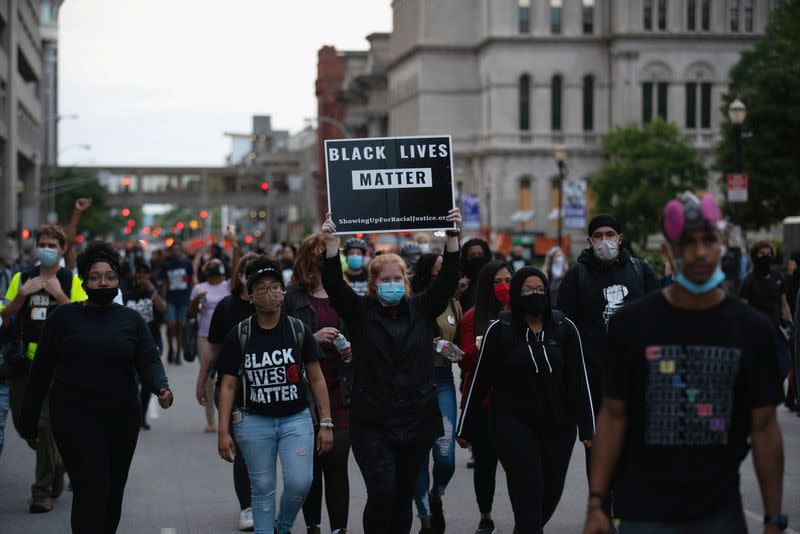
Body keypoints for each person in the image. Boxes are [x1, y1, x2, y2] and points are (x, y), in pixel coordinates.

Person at [583, 193, 786, 534]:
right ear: (669, 250)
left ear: (721, 243)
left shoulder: (751, 330)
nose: (701, 252)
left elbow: (765, 427)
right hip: (644, 513)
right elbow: (613, 415)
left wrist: (774, 518)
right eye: (688, 242)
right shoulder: (632, 325)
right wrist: (596, 503)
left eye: (708, 240)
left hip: (719, 513)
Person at [320, 208, 462, 534]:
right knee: (381, 490)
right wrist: (331, 245)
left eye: (398, 279)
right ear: (373, 284)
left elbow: (449, 279)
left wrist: (452, 238)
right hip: (373, 421)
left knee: (401, 496)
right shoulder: (359, 312)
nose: (392, 284)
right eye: (385, 280)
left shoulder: (423, 309)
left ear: (406, 282)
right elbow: (333, 284)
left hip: (416, 418)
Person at [20, 240, 173, 533]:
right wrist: (28, 421)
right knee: (92, 488)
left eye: (110, 276)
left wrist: (162, 388)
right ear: (83, 280)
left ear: (118, 280)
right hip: (74, 417)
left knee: (113, 490)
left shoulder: (130, 319)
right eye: (95, 276)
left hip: (121, 418)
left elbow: (148, 360)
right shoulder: (63, 319)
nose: (103, 282)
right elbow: (40, 372)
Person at [458, 265, 594, 533]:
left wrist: (587, 426)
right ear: (516, 294)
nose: (535, 295)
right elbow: (480, 381)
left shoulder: (564, 328)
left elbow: (580, 381)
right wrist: (466, 426)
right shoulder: (500, 330)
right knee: (528, 486)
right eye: (528, 290)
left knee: (550, 490)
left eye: (540, 289)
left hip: (558, 424)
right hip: (512, 422)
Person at [216, 257, 333, 534]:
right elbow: (228, 386)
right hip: (254, 422)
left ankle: (284, 525)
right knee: (263, 489)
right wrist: (223, 431)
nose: (269, 294)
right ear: (251, 296)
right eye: (261, 288)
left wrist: (326, 422)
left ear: (283, 293)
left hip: (296, 420)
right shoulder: (240, 334)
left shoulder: (298, 330)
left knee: (300, 482)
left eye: (275, 287)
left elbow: (316, 378)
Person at [556, 214, 659, 514]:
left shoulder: (641, 271)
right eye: (598, 235)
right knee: (597, 447)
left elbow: (658, 316)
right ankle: (601, 506)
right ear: (589, 241)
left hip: (636, 376)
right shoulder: (576, 277)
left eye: (610, 234)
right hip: (593, 379)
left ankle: (627, 507)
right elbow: (564, 328)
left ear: (620, 238)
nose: (605, 240)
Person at [0, 224, 87, 513]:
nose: (46, 250)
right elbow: (5, 316)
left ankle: (42, 492)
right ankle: (60, 463)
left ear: (63, 249)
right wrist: (23, 294)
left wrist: (59, 295)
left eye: (53, 245)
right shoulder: (21, 277)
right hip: (23, 363)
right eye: (42, 244)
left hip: (57, 365)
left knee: (46, 425)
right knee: (25, 426)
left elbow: (81, 318)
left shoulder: (69, 279)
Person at [283, 234, 353, 534]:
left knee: (337, 461)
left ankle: (339, 529)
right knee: (310, 468)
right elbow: (279, 346)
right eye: (319, 254)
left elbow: (362, 333)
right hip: (305, 392)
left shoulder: (344, 292)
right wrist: (310, 341)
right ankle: (313, 525)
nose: (324, 259)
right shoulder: (291, 297)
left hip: (341, 387)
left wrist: (353, 348)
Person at [197, 252, 258, 531]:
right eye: (249, 273)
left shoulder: (274, 304)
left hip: (267, 387)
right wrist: (201, 381)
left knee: (263, 450)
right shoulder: (226, 306)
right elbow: (212, 346)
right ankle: (248, 507)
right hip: (232, 388)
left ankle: (261, 502)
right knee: (243, 449)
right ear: (240, 276)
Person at [457, 260, 511, 534]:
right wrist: (482, 347)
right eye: (499, 281)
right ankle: (486, 515)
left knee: (518, 465)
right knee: (486, 464)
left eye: (509, 280)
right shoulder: (472, 317)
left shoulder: (524, 314)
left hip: (516, 404)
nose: (505, 286)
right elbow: (466, 362)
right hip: (482, 403)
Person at [411, 252, 463, 534]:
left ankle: (436, 495)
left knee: (445, 458)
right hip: (414, 384)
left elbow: (458, 349)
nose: (449, 273)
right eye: (442, 268)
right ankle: (426, 518)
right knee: (418, 456)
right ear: (429, 272)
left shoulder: (453, 303)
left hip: (442, 381)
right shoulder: (412, 302)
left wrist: (452, 350)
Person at [122, 260, 167, 430]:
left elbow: (162, 308)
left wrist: (152, 290)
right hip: (131, 344)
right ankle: (131, 414)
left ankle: (141, 417)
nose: (142, 276)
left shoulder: (153, 292)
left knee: (148, 383)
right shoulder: (127, 292)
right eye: (139, 272)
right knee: (131, 382)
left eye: (145, 273)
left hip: (152, 342)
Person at [740, 241, 794, 379]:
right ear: (755, 256)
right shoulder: (749, 281)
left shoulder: (778, 278)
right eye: (762, 253)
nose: (766, 256)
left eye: (768, 254)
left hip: (776, 331)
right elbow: (743, 308)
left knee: (783, 368)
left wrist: (791, 325)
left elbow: (784, 305)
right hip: (756, 333)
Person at [189, 258, 231, 433]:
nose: (217, 279)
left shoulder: (228, 286)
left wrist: (234, 247)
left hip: (226, 337)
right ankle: (211, 420)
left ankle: (227, 418)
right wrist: (195, 301)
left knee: (227, 376)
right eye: (214, 275)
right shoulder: (199, 288)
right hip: (205, 338)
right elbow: (191, 314)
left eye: (219, 275)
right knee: (208, 379)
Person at [160, 242, 194, 364]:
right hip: (170, 299)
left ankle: (179, 352)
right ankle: (171, 349)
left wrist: (192, 297)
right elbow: (164, 283)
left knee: (181, 326)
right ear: (170, 251)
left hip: (184, 298)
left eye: (178, 249)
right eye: (173, 249)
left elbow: (191, 281)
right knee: (171, 325)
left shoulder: (187, 264)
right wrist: (163, 299)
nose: (175, 252)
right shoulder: (166, 265)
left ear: (181, 250)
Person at [459, 238, 492, 310]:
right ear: (466, 257)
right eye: (472, 255)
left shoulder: (493, 276)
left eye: (480, 254)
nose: (476, 257)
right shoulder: (460, 278)